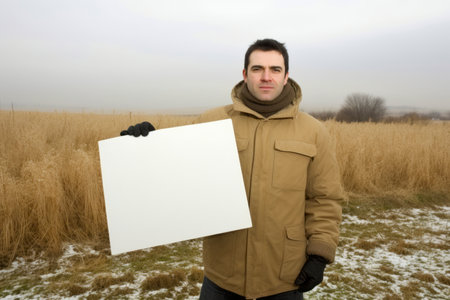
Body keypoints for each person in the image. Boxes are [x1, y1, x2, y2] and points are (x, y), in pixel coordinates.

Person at [121, 39, 343, 299]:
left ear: (286, 76)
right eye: (258, 68)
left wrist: (319, 254)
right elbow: (177, 168)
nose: (266, 77)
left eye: (275, 69)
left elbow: (325, 198)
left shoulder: (313, 132)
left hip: (283, 278)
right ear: (245, 74)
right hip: (222, 278)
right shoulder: (212, 121)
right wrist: (146, 144)